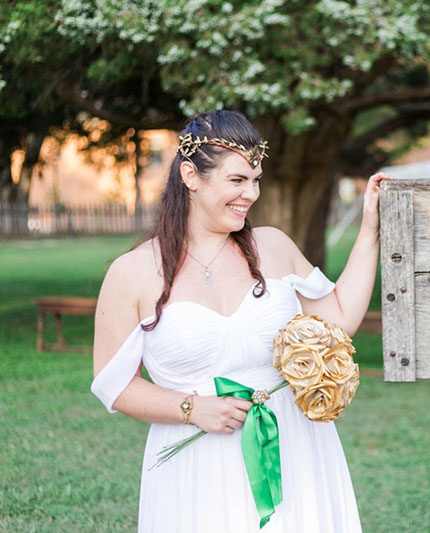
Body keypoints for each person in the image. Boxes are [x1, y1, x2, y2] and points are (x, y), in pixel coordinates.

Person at [91, 110, 387, 532]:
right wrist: (192, 409)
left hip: (294, 447)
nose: (251, 194)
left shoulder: (273, 247)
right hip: (197, 462)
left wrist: (370, 228)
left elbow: (338, 320)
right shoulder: (133, 272)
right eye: (237, 180)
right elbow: (114, 384)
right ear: (191, 176)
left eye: (256, 180)